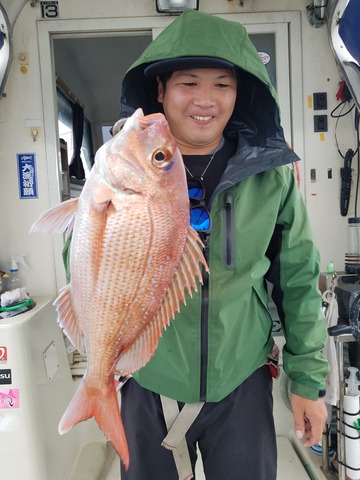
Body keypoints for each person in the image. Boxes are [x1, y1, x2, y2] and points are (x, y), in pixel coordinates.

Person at [116, 10, 329, 480]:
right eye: (188, 83)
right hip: (148, 378)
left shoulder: (271, 175)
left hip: (242, 380)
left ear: (242, 91)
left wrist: (308, 381)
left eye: (222, 84)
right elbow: (86, 267)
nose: (205, 100)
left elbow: (297, 279)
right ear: (160, 91)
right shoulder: (122, 164)